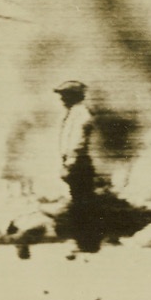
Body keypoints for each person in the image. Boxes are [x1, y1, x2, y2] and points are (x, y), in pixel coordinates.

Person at [55, 80, 101, 253]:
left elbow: (77, 141)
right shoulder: (74, 113)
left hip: (78, 162)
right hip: (76, 162)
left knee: (82, 203)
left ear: (73, 96)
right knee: (80, 201)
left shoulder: (80, 113)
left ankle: (86, 243)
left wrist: (69, 163)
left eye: (64, 95)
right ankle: (85, 242)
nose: (61, 99)